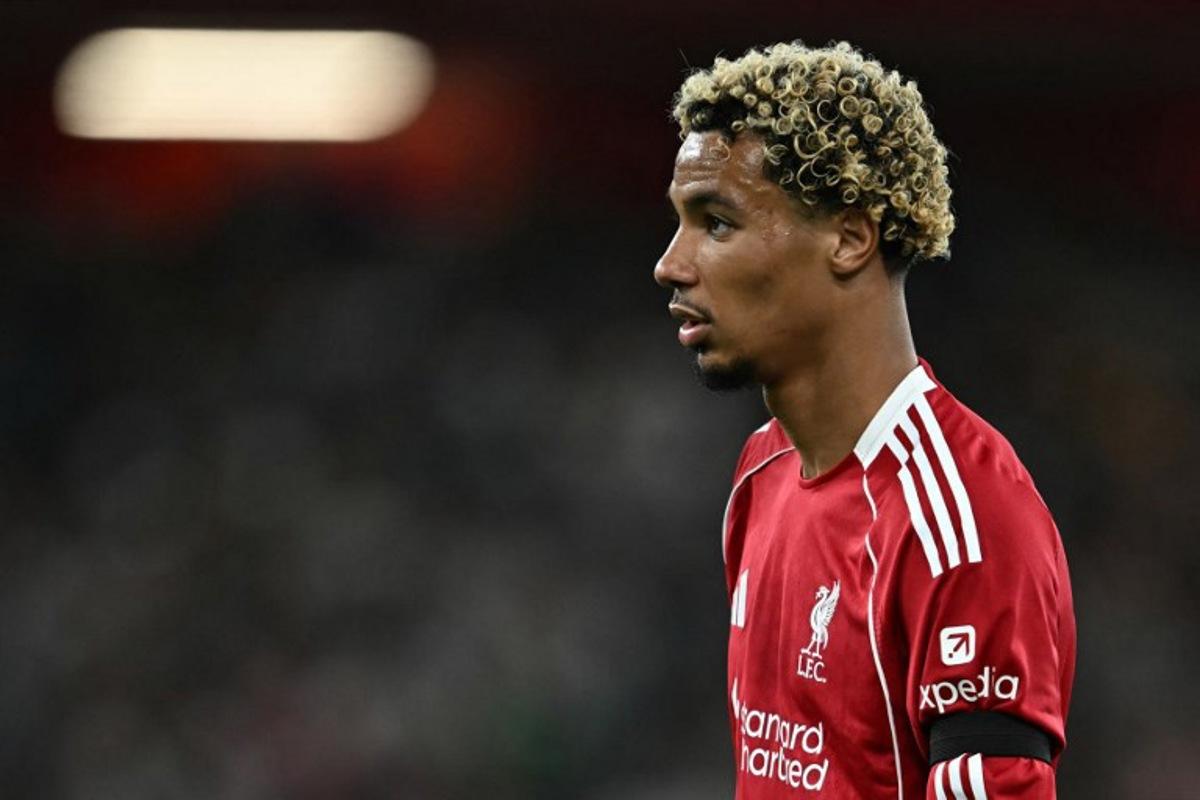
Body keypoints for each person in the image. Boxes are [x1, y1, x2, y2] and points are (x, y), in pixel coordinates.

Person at [654, 41, 1075, 799]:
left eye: (715, 223)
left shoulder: (964, 520)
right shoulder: (760, 472)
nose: (671, 264)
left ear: (849, 239)